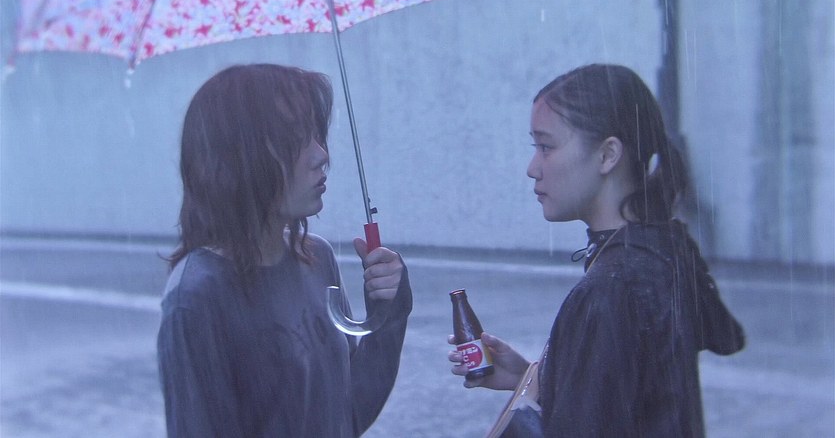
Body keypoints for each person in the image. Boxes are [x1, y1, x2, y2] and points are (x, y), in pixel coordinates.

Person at [448, 64, 744, 437]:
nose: (532, 168)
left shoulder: (611, 288)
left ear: (607, 155)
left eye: (546, 146)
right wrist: (537, 377)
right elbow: (635, 404)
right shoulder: (659, 250)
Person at [157, 63, 412, 437]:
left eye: (317, 135)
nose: (321, 155)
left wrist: (388, 312)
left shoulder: (317, 260)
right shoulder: (197, 298)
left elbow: (347, 414)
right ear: (240, 158)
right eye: (295, 139)